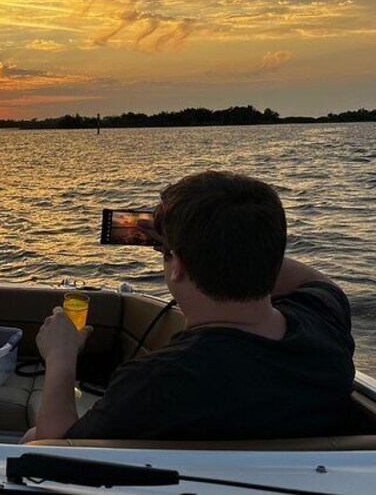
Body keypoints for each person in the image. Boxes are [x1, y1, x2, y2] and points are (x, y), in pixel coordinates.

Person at [27, 170, 355, 441]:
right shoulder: (322, 324)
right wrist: (221, 243)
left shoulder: (160, 382)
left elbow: (54, 448)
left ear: (178, 266)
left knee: (30, 437)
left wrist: (61, 357)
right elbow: (317, 282)